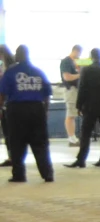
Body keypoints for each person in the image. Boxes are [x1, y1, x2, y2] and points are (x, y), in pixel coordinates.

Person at [4, 47, 54, 184]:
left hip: (16, 110)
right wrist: (45, 111)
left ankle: (19, 175)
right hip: (37, 109)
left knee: (17, 143)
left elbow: (2, 93)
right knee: (41, 143)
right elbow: (47, 94)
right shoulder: (38, 72)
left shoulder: (11, 72)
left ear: (17, 56)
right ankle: (47, 173)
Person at [68, 49, 100, 169]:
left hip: (90, 106)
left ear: (91, 57)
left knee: (85, 133)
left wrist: (79, 105)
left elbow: (82, 89)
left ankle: (81, 160)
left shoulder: (86, 70)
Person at [56, 45, 81, 147]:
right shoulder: (66, 61)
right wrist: (81, 75)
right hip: (71, 90)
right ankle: (71, 138)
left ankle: (73, 137)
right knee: (70, 114)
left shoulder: (77, 62)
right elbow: (67, 77)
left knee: (73, 114)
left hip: (78, 90)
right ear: (76, 51)